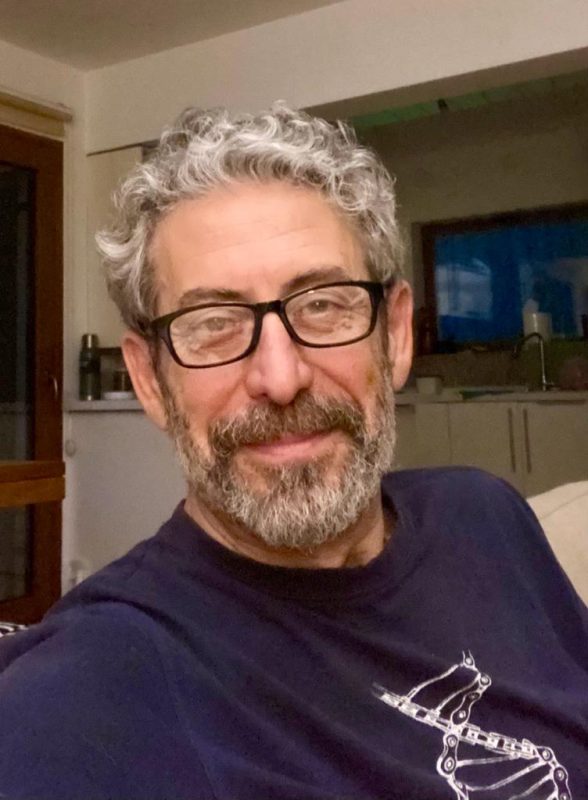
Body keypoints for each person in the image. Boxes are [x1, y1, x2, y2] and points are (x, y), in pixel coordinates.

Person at [0, 103, 586, 800]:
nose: (280, 380)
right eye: (213, 324)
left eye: (324, 305)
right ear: (151, 381)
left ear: (396, 335)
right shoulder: (89, 692)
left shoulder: (486, 513)